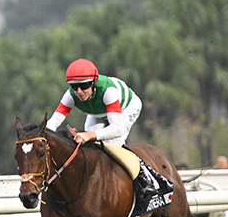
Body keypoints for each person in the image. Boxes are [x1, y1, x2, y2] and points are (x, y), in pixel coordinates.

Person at [45, 58, 157, 199]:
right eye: (74, 86)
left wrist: (89, 135)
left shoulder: (108, 91)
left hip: (125, 108)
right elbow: (53, 122)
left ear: (94, 82)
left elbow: (117, 129)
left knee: (112, 145)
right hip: (98, 113)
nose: (79, 91)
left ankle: (145, 178)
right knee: (92, 146)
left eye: (84, 85)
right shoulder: (70, 95)